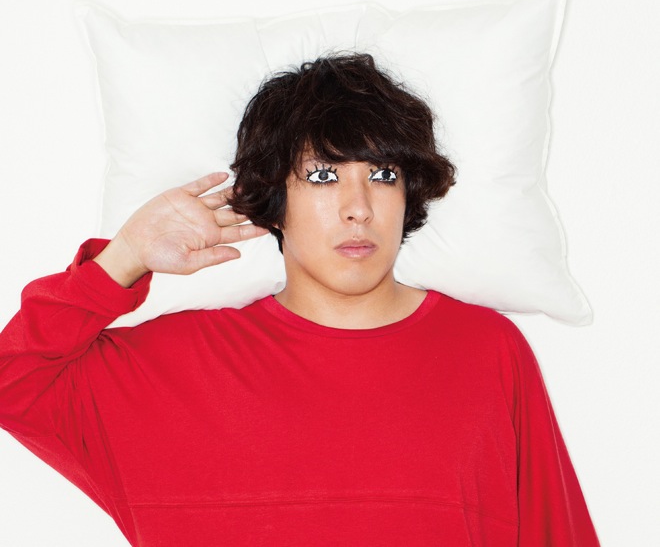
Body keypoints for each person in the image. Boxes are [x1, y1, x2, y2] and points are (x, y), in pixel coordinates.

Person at [0, 54, 599, 546]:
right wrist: (125, 256)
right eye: (323, 176)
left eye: (383, 175)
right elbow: (13, 379)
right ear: (273, 200)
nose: (358, 207)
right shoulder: (171, 368)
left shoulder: (485, 351)